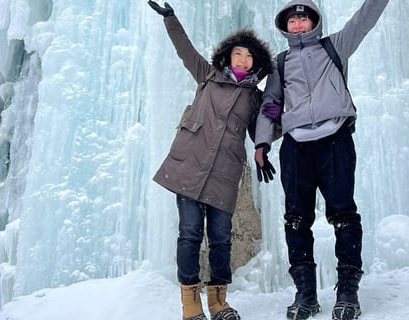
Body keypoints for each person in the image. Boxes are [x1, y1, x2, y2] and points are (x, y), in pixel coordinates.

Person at [252, 0, 389, 319]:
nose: (298, 24)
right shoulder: (281, 63)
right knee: (296, 218)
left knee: (343, 214)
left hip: (335, 140)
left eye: (303, 19)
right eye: (292, 21)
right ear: (285, 27)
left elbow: (364, 20)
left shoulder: (335, 47)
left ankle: (347, 292)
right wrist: (261, 142)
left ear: (314, 21)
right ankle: (306, 295)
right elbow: (272, 103)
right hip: (296, 145)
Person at [148, 1, 275, 320]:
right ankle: (191, 306)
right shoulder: (206, 75)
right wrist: (170, 19)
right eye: (238, 53)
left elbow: (267, 126)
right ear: (228, 56)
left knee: (220, 240)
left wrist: (283, 106)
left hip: (224, 174)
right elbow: (184, 49)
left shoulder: (254, 98)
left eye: (250, 56)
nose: (243, 59)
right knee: (189, 233)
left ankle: (218, 302)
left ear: (256, 63)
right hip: (189, 167)